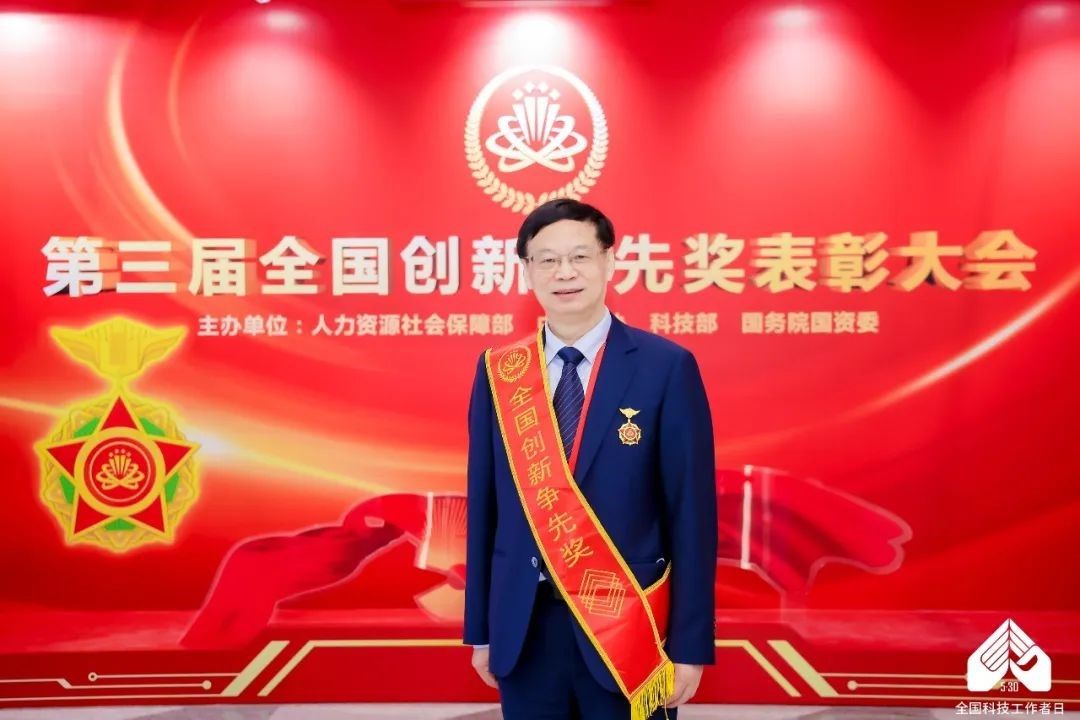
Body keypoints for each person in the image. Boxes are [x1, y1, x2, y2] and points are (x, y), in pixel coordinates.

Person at [464, 199, 717, 720]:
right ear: (527, 271)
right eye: (547, 260)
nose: (565, 273)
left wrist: (690, 645)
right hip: (524, 627)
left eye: (579, 256)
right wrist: (481, 631)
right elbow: (484, 508)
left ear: (609, 261)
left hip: (628, 626)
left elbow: (691, 515)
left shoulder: (666, 367)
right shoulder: (499, 372)